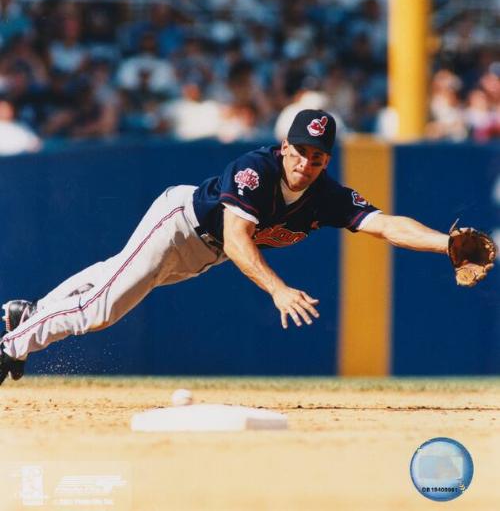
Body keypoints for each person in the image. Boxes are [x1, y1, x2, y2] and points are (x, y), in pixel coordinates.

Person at [0, 109, 476, 383]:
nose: (306, 163)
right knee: (102, 308)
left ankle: (31, 312)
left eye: (318, 156)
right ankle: (12, 344)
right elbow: (236, 236)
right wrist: (277, 290)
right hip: (180, 224)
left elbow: (385, 224)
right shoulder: (257, 169)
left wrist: (444, 244)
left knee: (108, 276)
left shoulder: (326, 195)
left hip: (204, 255)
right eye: (300, 151)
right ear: (284, 146)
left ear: (325, 159)